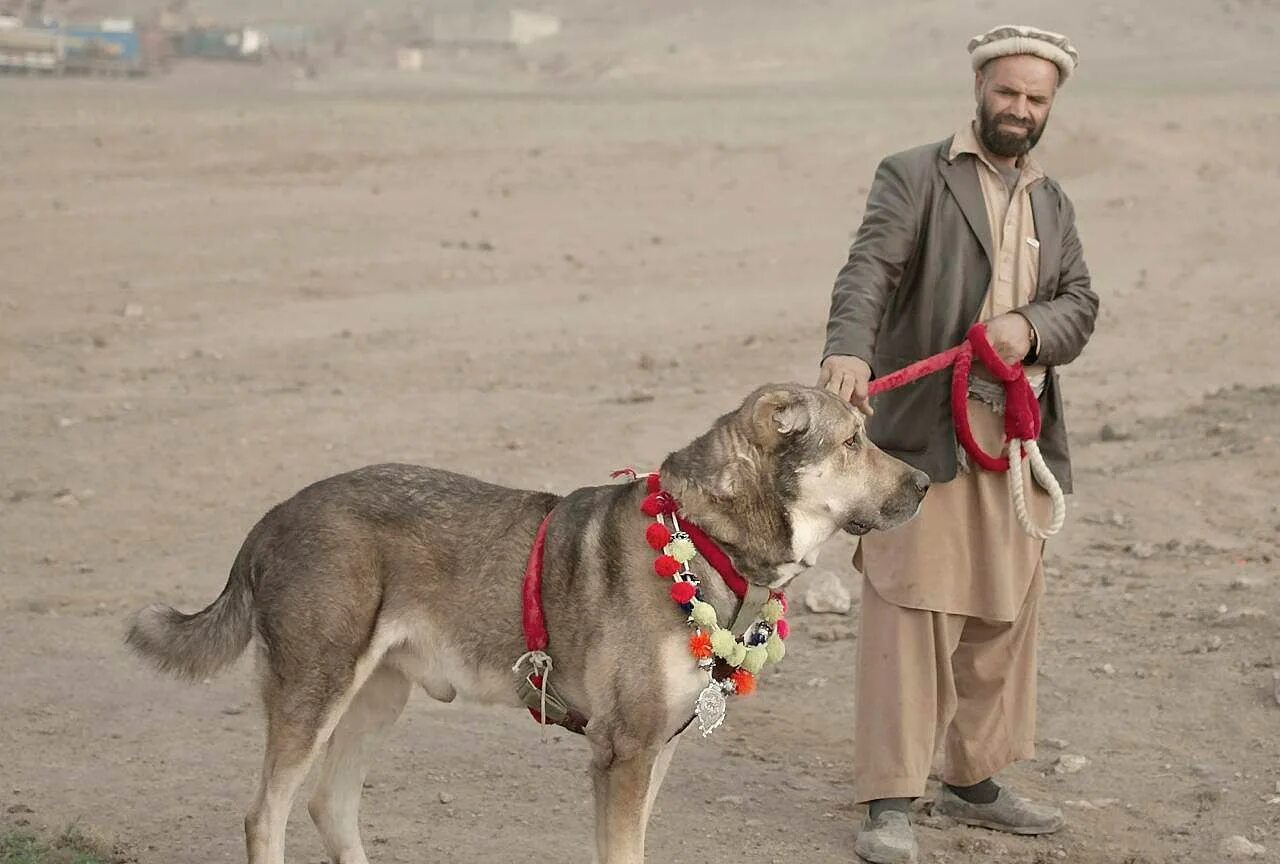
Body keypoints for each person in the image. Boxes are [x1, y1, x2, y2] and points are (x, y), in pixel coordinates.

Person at [818, 25, 1100, 864]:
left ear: (1051, 107)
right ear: (981, 89)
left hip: (1015, 441)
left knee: (1002, 611)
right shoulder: (914, 175)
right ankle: (889, 799)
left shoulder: (1053, 200)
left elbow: (1081, 303)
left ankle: (974, 779)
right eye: (1007, 93)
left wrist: (1028, 327)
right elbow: (868, 269)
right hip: (922, 436)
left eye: (1035, 99)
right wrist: (848, 348)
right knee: (911, 612)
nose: (1019, 109)